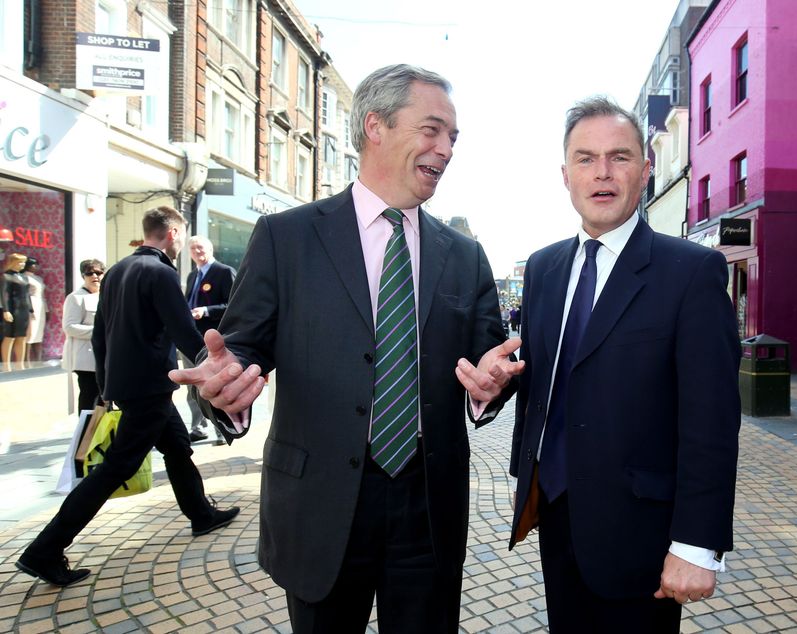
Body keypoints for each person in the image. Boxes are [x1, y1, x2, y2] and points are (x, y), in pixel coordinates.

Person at [170, 65, 523, 633]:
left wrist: (491, 387)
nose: (446, 148)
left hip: (428, 508)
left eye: (453, 137)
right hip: (320, 504)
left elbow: (489, 363)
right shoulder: (287, 237)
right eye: (432, 130)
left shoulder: (465, 254)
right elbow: (238, 352)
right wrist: (226, 390)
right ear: (376, 126)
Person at [508, 97, 741, 633]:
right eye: (585, 159)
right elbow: (548, 380)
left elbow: (711, 422)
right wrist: (492, 390)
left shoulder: (691, 272)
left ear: (646, 168)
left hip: (642, 534)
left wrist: (696, 544)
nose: (603, 173)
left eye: (620, 156)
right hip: (558, 516)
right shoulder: (543, 267)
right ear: (564, 174)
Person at [15, 207, 240, 587]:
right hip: (151, 385)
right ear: (171, 233)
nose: (182, 242)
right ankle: (45, 549)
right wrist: (212, 370)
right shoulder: (161, 272)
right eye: (182, 235)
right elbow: (184, 331)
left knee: (178, 447)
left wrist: (106, 385)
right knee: (114, 468)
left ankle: (200, 513)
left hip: (132, 384)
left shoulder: (117, 270)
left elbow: (101, 333)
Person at [182, 235, 236, 443]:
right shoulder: (191, 276)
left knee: (214, 385)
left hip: (213, 340)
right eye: (193, 249)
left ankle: (221, 429)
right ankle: (198, 427)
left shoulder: (223, 272)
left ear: (211, 249)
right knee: (192, 385)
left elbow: (233, 305)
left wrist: (206, 311)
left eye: (201, 247)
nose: (198, 252)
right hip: (192, 339)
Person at [61, 259, 105, 412]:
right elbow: (69, 326)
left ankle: (101, 433)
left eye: (99, 272)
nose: (95, 276)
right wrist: (99, 331)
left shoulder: (105, 295)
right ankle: (85, 432)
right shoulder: (75, 297)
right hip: (85, 358)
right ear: (83, 275)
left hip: (104, 356)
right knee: (88, 395)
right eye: (90, 273)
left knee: (104, 398)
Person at [1, 252, 32, 371]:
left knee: (22, 337)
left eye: (23, 262)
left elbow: (27, 293)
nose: (22, 264)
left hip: (24, 309)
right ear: (13, 262)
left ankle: (20, 364)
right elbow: (3, 295)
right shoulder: (6, 276)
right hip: (13, 308)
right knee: (10, 336)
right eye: (20, 262)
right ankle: (6, 365)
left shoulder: (24, 277)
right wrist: (6, 310)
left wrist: (30, 308)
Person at [24, 256, 47, 363]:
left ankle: (38, 359)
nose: (35, 266)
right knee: (30, 332)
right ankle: (26, 360)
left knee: (39, 333)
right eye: (33, 264)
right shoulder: (24, 278)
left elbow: (42, 295)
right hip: (30, 305)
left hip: (40, 305)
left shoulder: (39, 278)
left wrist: (46, 309)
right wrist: (29, 309)